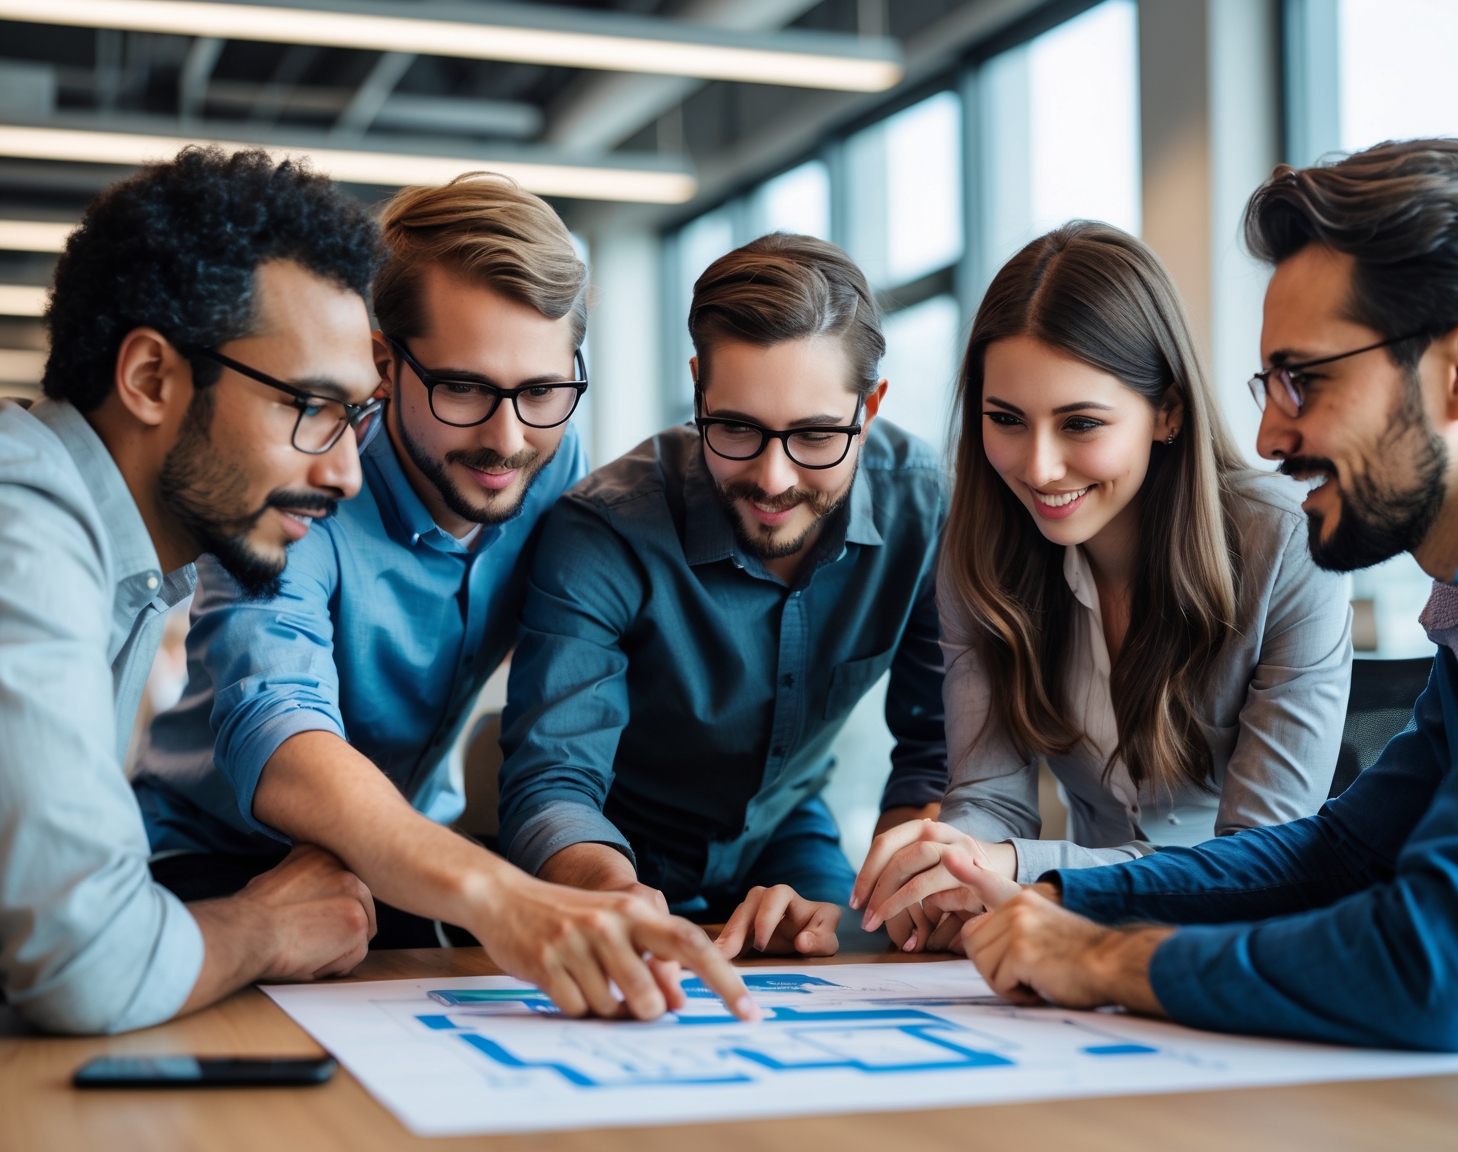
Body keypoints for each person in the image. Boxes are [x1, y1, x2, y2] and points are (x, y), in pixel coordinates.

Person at [941, 139, 1458, 1057]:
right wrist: (1064, 898)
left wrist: (1109, 960)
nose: (1266, 436)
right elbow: (1339, 854)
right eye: (1270, 384)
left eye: (1309, 379)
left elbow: (1446, 967)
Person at [131, 174, 754, 1023]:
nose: (505, 439)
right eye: (462, 388)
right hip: (216, 865)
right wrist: (501, 896)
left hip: (413, 861)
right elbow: (276, 721)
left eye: (541, 391)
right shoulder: (300, 478)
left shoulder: (546, 461)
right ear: (384, 364)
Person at [853, 222, 1352, 952]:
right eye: (1006, 421)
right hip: (1076, 945)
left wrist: (1022, 870)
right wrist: (946, 867)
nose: (1040, 467)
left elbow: (1260, 861)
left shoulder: (1282, 542)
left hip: (1243, 947)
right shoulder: (980, 553)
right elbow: (989, 799)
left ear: (1168, 411)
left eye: (1081, 423)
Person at [0, 147, 384, 1033]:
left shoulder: (125, 569)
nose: (346, 473)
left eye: (355, 417)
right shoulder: (26, 536)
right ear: (149, 379)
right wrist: (263, 926)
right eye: (310, 408)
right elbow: (86, 964)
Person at [498, 233, 949, 958]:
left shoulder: (925, 508)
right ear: (698, 386)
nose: (773, 480)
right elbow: (552, 780)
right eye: (735, 428)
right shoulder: (604, 528)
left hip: (788, 837)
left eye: (814, 436)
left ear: (870, 408)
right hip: (614, 852)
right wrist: (612, 890)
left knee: (844, 961)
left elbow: (935, 750)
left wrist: (894, 897)